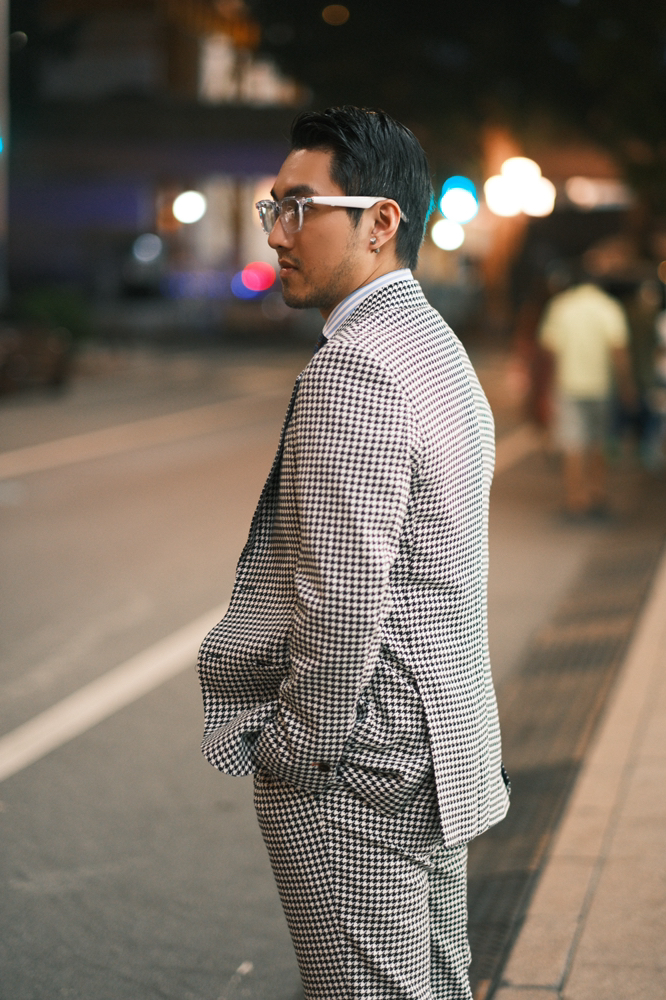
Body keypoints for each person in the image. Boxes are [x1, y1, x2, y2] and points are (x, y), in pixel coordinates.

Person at [198, 106, 510, 1000]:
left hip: (360, 770)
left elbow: (339, 599)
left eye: (301, 207)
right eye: (274, 208)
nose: (278, 233)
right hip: (435, 746)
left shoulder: (356, 368)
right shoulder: (433, 344)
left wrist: (298, 751)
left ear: (380, 222)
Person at [538, 278, 634, 518]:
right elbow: (618, 349)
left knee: (573, 444)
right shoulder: (608, 307)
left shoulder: (561, 306)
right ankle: (596, 492)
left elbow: (549, 349)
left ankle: (575, 498)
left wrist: (547, 387)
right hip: (601, 385)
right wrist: (626, 385)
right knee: (599, 442)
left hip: (568, 384)